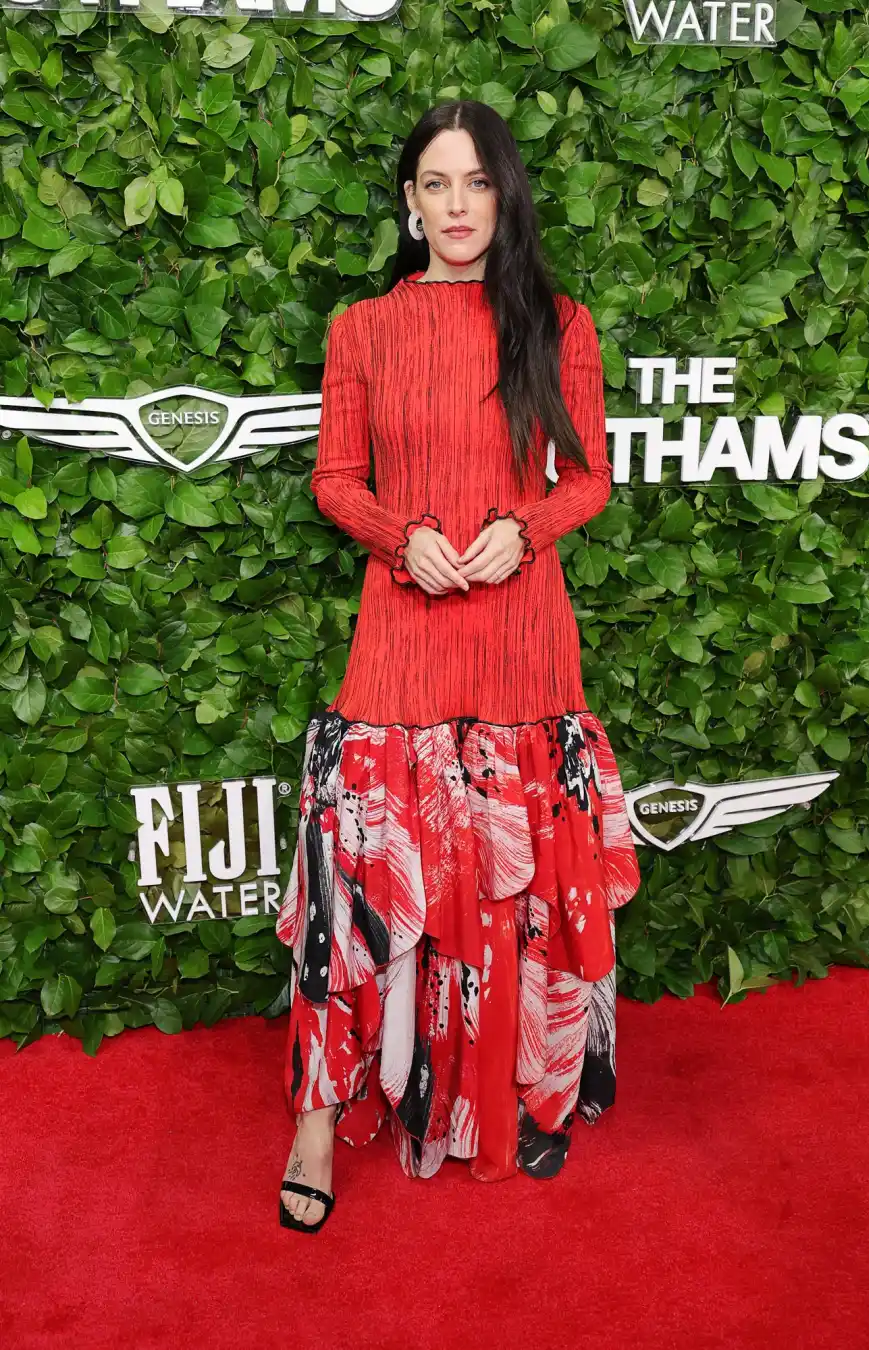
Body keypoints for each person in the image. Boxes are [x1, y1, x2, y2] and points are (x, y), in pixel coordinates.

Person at [275, 99, 642, 1234]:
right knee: (357, 885)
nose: (455, 206)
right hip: (402, 632)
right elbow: (337, 478)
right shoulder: (364, 330)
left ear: (505, 195)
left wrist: (524, 530)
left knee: (513, 891)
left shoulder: (556, 322)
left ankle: (507, 1094)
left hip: (522, 634)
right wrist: (403, 537)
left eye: (475, 183)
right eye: (435, 184)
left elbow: (587, 478)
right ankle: (317, 1123)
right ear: (407, 203)